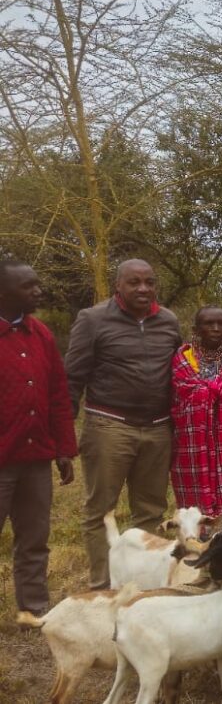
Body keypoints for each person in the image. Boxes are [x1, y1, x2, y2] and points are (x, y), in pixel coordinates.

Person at [66, 258, 180, 589]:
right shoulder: (93, 320)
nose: (143, 288)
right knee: (101, 512)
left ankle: (142, 589)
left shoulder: (168, 321)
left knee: (151, 511)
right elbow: (72, 377)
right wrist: (62, 433)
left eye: (149, 282)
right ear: (118, 285)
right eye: (134, 282)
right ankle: (104, 589)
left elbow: (180, 373)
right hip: (109, 426)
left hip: (158, 428)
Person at [0, 261, 77, 620]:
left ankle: (33, 609)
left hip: (35, 460)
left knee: (34, 539)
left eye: (37, 283)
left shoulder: (41, 334)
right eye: (28, 286)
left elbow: (58, 394)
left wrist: (64, 449)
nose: (38, 291)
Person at [169, 305, 222, 517]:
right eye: (209, 323)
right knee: (195, 512)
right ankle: (199, 530)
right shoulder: (182, 360)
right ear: (196, 329)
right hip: (192, 443)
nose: (215, 328)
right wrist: (206, 395)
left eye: (220, 324)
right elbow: (176, 401)